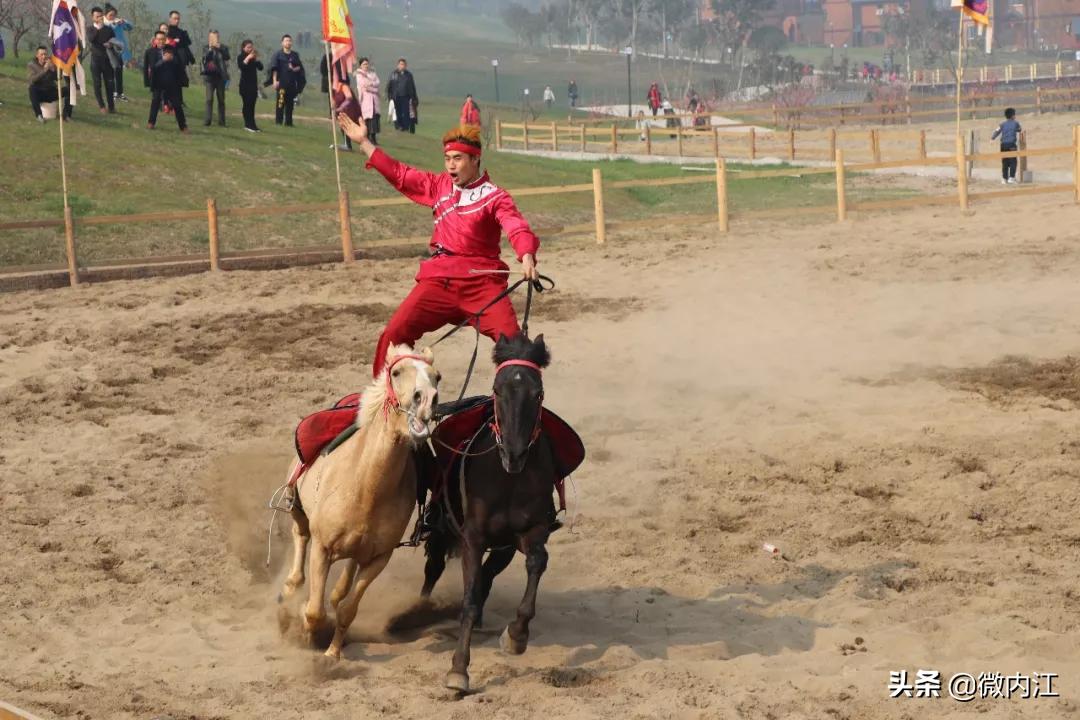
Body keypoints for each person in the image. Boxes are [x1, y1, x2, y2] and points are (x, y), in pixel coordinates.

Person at [335, 115, 540, 379]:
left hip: (482, 285)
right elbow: (399, 173)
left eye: (458, 158)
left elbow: (515, 225)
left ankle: (523, 416)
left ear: (475, 159)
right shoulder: (438, 185)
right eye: (447, 159)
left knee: (517, 349)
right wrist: (364, 142)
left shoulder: (495, 196)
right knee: (393, 336)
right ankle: (384, 405)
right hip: (439, 281)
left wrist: (526, 255)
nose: (451, 165)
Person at [147, 43, 188, 133]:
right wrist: (163, 61)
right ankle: (151, 123)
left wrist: (172, 59)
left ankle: (183, 126)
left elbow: (180, 69)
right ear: (163, 53)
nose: (168, 54)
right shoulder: (156, 55)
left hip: (172, 85)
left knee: (177, 105)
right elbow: (153, 68)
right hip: (158, 85)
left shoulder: (175, 60)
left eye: (170, 53)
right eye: (166, 53)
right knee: (155, 102)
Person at [267, 34, 305, 127]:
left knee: (290, 104)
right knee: (280, 103)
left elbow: (299, 68)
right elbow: (274, 68)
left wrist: (293, 69)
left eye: (289, 41)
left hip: (291, 83)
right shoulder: (278, 55)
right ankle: (278, 122)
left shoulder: (295, 55)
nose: (288, 42)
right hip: (281, 83)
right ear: (282, 43)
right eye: (286, 41)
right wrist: (275, 81)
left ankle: (289, 122)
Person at [28, 46, 73, 122]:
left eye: (45, 54)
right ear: (37, 55)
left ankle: (66, 114)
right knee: (31, 88)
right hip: (40, 92)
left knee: (70, 90)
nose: (44, 56)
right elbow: (32, 80)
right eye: (41, 54)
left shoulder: (51, 62)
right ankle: (39, 115)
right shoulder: (32, 65)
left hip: (51, 91)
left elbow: (58, 78)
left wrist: (53, 69)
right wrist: (45, 70)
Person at [87, 7, 117, 114]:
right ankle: (101, 106)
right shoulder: (90, 29)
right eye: (97, 16)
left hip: (107, 59)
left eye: (101, 16)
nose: (99, 18)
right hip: (96, 60)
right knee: (97, 83)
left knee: (109, 84)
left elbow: (114, 41)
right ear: (92, 17)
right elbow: (91, 39)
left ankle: (111, 106)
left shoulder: (108, 29)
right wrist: (98, 27)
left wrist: (111, 44)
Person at [201, 30, 230, 127]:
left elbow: (227, 57)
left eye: (216, 37)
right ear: (209, 38)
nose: (214, 39)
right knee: (209, 99)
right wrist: (210, 49)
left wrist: (220, 48)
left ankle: (222, 122)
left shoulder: (223, 47)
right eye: (212, 37)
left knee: (221, 99)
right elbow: (205, 58)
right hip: (209, 77)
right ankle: (207, 120)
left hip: (220, 77)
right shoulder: (205, 48)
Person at [103, 5, 132, 102]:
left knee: (119, 71)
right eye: (110, 15)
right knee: (113, 71)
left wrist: (125, 22)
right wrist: (113, 24)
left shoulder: (118, 23)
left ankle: (120, 92)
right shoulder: (104, 24)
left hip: (119, 50)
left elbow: (130, 27)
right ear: (105, 15)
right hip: (109, 51)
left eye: (114, 15)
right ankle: (113, 92)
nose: (113, 17)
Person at [237, 39, 263, 133]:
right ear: (243, 48)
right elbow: (242, 66)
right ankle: (247, 124)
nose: (250, 49)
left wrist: (256, 59)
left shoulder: (253, 58)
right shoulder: (241, 57)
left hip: (253, 85)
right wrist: (248, 58)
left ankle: (253, 125)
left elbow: (260, 67)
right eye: (248, 47)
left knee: (252, 106)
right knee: (247, 105)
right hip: (244, 85)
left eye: (251, 47)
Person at [386, 57, 418, 133]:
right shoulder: (393, 74)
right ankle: (400, 127)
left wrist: (414, 97)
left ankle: (406, 128)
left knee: (406, 113)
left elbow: (412, 86)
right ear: (398, 65)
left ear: (405, 66)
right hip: (396, 96)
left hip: (406, 96)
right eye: (400, 64)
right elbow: (389, 85)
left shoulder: (409, 75)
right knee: (398, 112)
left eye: (403, 64)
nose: (402, 66)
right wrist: (389, 96)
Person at [355, 57, 381, 146]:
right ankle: (368, 137)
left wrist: (372, 84)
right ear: (361, 65)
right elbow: (364, 86)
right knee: (368, 119)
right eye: (364, 64)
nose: (366, 66)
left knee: (375, 118)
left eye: (367, 64)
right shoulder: (359, 75)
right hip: (366, 100)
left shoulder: (372, 73)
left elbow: (378, 83)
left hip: (374, 100)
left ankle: (374, 137)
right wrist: (373, 87)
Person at [992, 107, 1022, 185]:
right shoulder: (1015, 123)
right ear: (1012, 116)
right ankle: (1011, 178)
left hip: (1003, 145)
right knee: (1013, 161)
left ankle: (1004, 179)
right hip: (1011, 144)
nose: (1015, 116)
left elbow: (997, 131)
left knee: (1005, 162)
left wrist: (992, 138)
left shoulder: (1002, 124)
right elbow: (1019, 129)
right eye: (1014, 114)